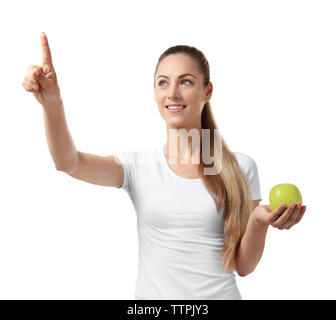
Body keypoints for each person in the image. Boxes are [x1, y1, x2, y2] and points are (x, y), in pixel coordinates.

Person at [22, 32, 307, 300]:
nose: (172, 92)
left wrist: (258, 220)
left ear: (207, 91)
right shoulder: (138, 167)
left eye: (185, 82)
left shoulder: (240, 167)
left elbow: (244, 266)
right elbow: (68, 162)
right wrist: (52, 103)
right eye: (163, 82)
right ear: (155, 93)